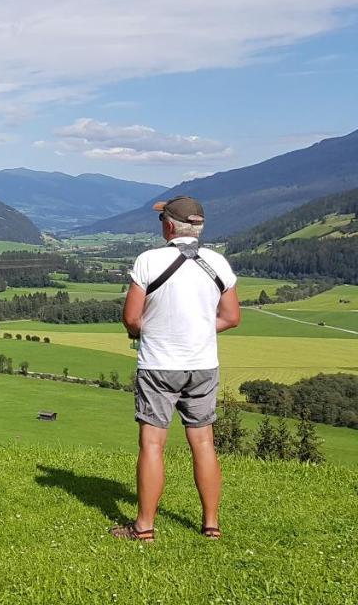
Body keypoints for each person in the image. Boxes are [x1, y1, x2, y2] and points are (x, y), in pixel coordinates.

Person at [111, 195, 240, 543]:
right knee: (203, 443)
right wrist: (195, 329)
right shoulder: (218, 263)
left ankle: (144, 527)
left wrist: (147, 332)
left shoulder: (149, 261)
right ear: (198, 227)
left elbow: (131, 318)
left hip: (159, 365)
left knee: (152, 444)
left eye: (161, 221)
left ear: (169, 225)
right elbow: (231, 317)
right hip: (202, 365)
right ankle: (211, 525)